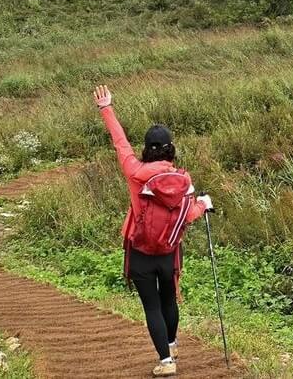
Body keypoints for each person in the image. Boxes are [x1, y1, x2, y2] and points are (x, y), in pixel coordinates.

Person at [94, 85, 213, 377]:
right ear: (171, 148)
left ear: (147, 148)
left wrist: (106, 108)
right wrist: (204, 205)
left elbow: (120, 144)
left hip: (141, 250)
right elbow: (188, 214)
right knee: (169, 299)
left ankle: (166, 361)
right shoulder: (183, 178)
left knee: (151, 306)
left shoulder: (135, 173)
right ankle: (171, 345)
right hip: (170, 251)